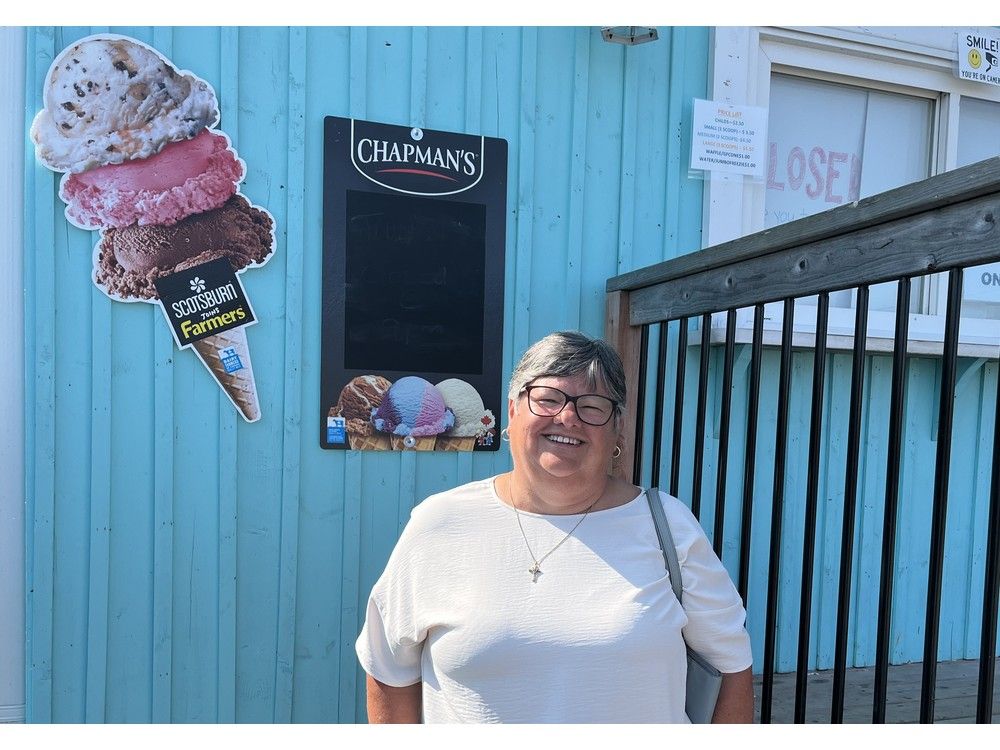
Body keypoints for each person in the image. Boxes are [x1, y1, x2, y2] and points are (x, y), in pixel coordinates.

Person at [356, 330, 754, 723]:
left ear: (616, 429)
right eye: (547, 398)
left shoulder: (667, 525)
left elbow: (731, 664)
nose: (567, 417)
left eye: (593, 406)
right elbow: (389, 672)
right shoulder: (440, 524)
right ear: (512, 413)